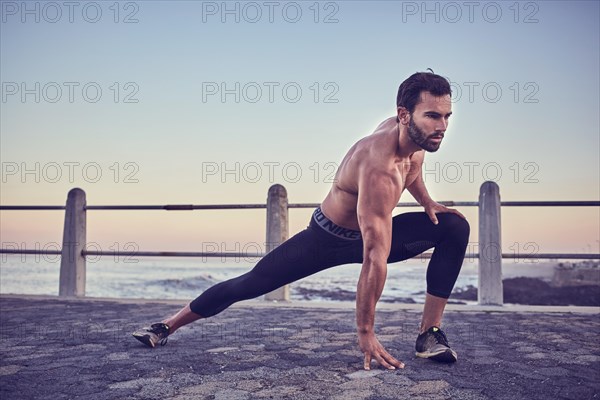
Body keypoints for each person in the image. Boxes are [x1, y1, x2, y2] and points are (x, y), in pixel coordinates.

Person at [133, 71, 470, 370]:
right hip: (325, 239)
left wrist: (427, 201)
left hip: (371, 234)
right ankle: (165, 326)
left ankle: (429, 334)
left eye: (446, 116)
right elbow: (374, 257)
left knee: (453, 226)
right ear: (403, 115)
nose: (441, 127)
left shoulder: (419, 139)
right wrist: (366, 333)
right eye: (432, 116)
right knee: (248, 284)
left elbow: (412, 168)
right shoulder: (378, 163)